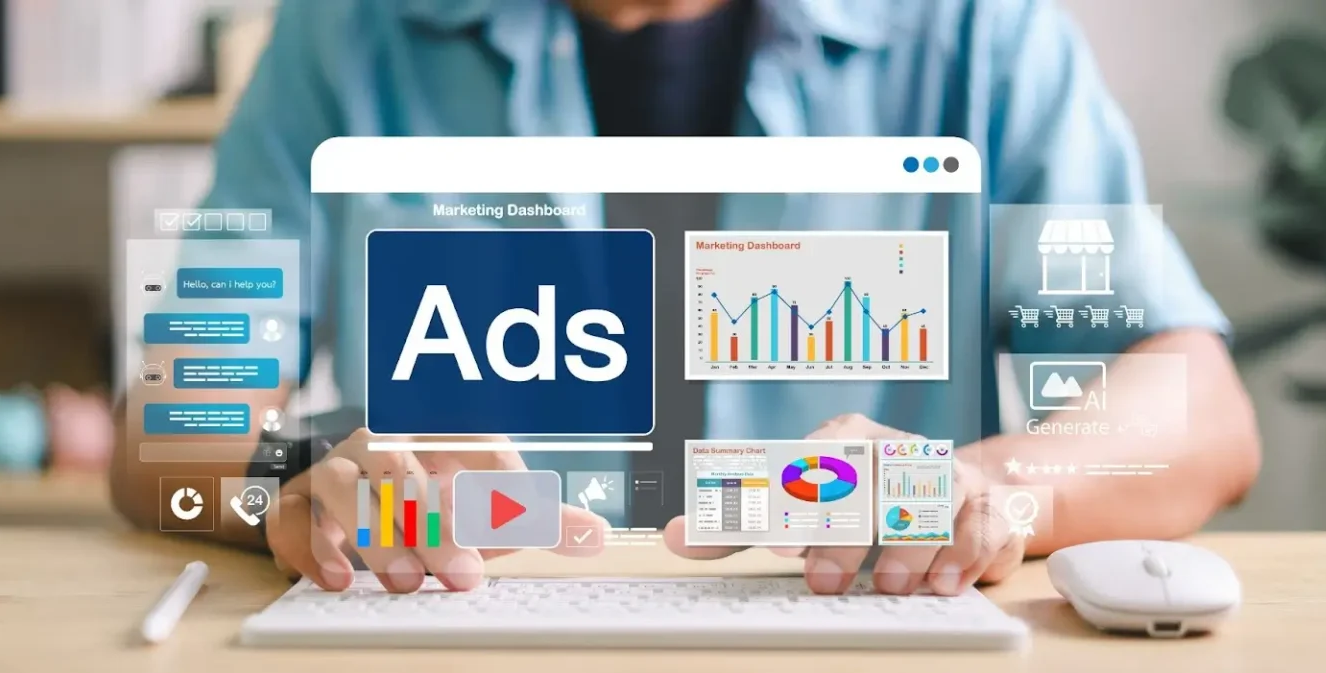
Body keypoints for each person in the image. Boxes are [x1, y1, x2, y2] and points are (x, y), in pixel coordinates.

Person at [110, 0, 1261, 598]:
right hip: (456, 631)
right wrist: (294, 473)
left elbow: (1200, 409)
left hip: (848, 627)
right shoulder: (345, 29)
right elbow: (163, 422)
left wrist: (992, 487)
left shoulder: (977, 29)